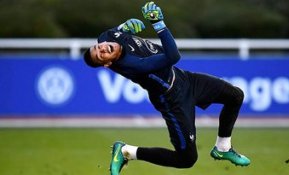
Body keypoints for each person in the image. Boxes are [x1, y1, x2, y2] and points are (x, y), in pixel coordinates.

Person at [83, 2, 250, 175]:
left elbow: (111, 33)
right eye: (100, 55)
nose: (101, 49)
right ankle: (126, 152)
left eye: (97, 47)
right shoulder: (134, 65)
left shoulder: (106, 37)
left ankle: (223, 148)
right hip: (172, 99)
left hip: (185, 79)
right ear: (108, 64)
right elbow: (173, 55)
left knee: (235, 96)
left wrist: (125, 26)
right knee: (186, 159)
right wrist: (158, 23)